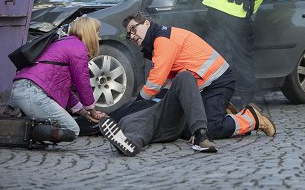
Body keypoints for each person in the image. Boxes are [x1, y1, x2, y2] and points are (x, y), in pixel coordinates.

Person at [98, 11, 276, 157]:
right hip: (201, 86)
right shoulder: (156, 43)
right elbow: (167, 84)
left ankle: (251, 118)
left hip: (218, 82)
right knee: (185, 130)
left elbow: (155, 82)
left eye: (133, 29)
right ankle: (221, 110)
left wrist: (139, 103)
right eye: (128, 34)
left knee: (210, 128)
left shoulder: (162, 40)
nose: (131, 35)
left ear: (146, 23)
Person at [202, 0, 277, 107]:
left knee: (213, 54)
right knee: (243, 59)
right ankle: (247, 102)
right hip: (238, 16)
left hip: (216, 11)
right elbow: (255, 6)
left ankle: (210, 95)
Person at [10, 16, 107, 137]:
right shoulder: (78, 47)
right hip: (33, 93)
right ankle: (22, 134)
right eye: (97, 33)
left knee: (66, 126)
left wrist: (85, 114)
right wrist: (93, 111)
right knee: (72, 129)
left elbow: (64, 90)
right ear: (90, 34)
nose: (99, 38)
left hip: (22, 89)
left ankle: (25, 126)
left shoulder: (63, 43)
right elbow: (83, 84)